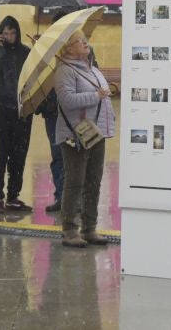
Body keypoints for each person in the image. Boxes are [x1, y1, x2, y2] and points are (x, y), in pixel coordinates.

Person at [54, 28, 116, 247]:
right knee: (75, 182)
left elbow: (102, 99)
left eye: (85, 40)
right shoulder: (65, 71)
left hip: (95, 133)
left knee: (94, 181)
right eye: (78, 41)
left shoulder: (92, 69)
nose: (84, 43)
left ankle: (89, 228)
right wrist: (95, 95)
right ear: (68, 48)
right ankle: (70, 230)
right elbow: (67, 100)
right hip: (75, 134)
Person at [0, 15, 33, 212]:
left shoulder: (26, 52)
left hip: (21, 112)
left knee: (19, 155)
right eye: (5, 33)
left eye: (12, 32)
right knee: (0, 155)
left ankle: (13, 196)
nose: (9, 36)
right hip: (0, 111)